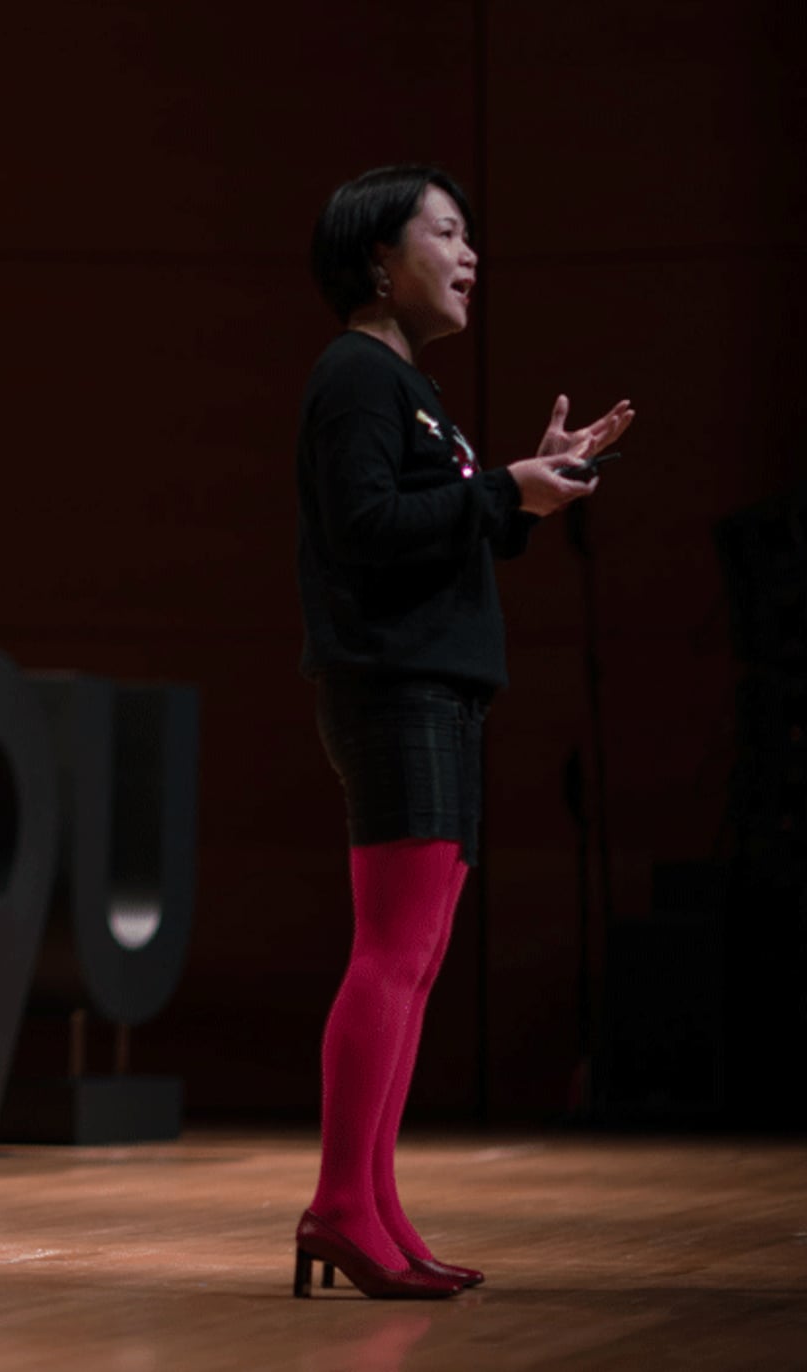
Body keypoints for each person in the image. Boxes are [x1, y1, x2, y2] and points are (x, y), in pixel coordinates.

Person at [290, 165, 632, 1299]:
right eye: (445, 232)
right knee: (392, 951)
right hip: (395, 689)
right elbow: (367, 526)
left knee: (418, 956)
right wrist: (502, 493)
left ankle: (376, 1205)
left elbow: (439, 525)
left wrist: (528, 488)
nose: (471, 254)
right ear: (378, 261)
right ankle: (341, 1206)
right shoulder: (356, 375)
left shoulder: (410, 387)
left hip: (434, 689)